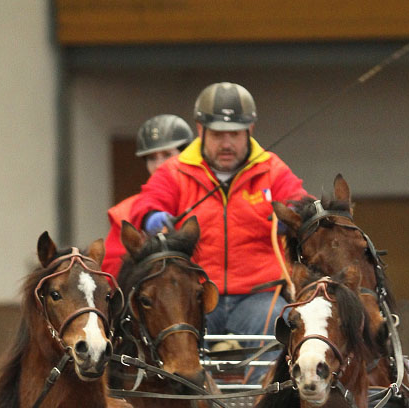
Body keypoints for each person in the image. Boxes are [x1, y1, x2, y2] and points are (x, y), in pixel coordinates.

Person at [102, 82, 308, 378]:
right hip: (193, 294)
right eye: (218, 135)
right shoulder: (175, 171)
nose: (227, 143)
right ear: (201, 130)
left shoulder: (272, 171)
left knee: (281, 325)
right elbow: (145, 204)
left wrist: (306, 218)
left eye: (234, 134)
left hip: (258, 297)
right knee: (166, 330)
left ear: (250, 130)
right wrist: (153, 218)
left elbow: (300, 203)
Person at [103, 114, 193, 278]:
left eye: (167, 154)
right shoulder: (125, 212)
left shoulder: (204, 198)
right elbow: (111, 275)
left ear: (187, 155)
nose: (159, 164)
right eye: (152, 158)